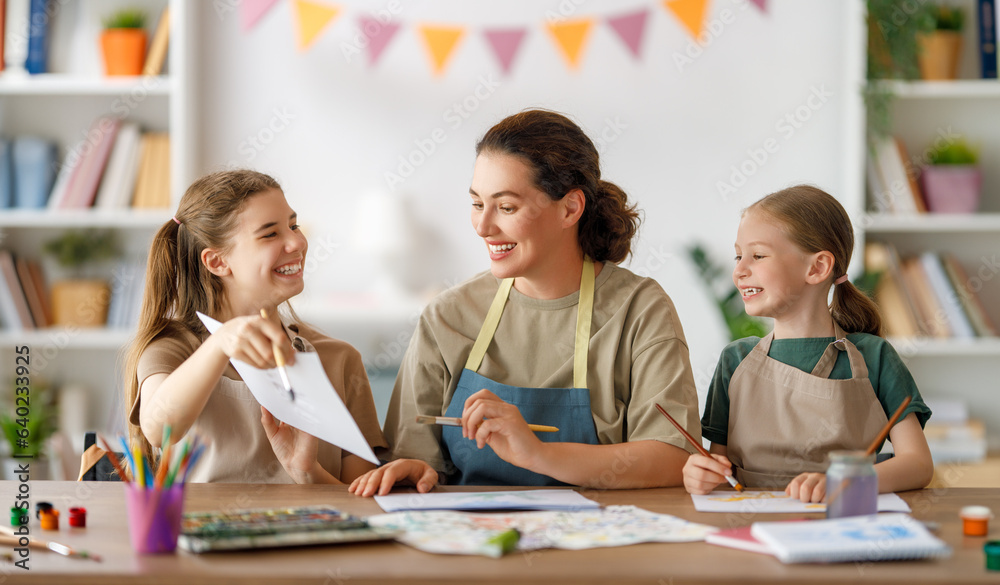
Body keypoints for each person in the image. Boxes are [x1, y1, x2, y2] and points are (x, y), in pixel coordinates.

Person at [349, 109, 701, 496]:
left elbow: (672, 457)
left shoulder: (639, 310)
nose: (483, 227)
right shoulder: (447, 316)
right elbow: (416, 458)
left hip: (598, 546)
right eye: (477, 204)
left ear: (570, 208)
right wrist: (415, 469)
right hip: (474, 543)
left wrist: (537, 453)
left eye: (507, 207)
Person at [124, 169, 386, 483]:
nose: (297, 242)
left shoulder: (340, 359)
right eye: (270, 234)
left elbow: (364, 504)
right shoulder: (172, 348)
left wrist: (308, 472)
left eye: (293, 225)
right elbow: (159, 430)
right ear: (217, 262)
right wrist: (220, 344)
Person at [684, 185, 934, 502]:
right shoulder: (735, 360)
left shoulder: (874, 356)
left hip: (844, 527)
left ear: (816, 268)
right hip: (752, 532)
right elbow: (721, 472)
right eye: (738, 255)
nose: (739, 271)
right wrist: (702, 474)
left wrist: (843, 483)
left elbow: (918, 464)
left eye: (757, 255)